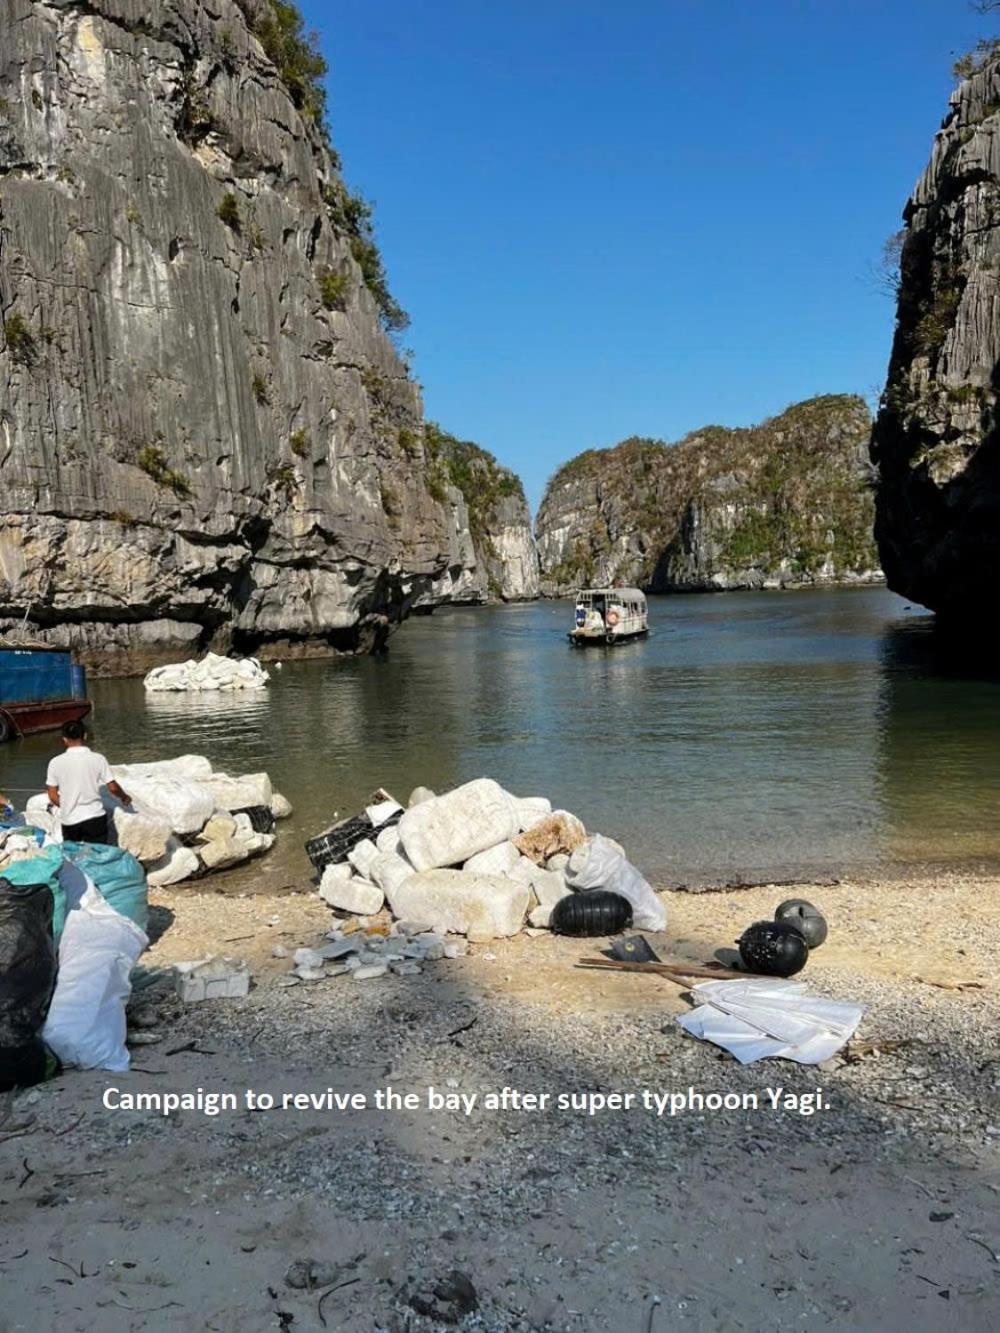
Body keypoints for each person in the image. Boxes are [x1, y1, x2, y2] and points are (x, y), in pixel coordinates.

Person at [45, 720, 132, 844]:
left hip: (70, 820)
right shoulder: (98, 759)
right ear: (85, 735)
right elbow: (113, 788)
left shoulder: (55, 762)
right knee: (96, 856)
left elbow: (52, 796)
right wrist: (125, 797)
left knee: (74, 857)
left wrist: (68, 805)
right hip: (95, 818)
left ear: (64, 739)